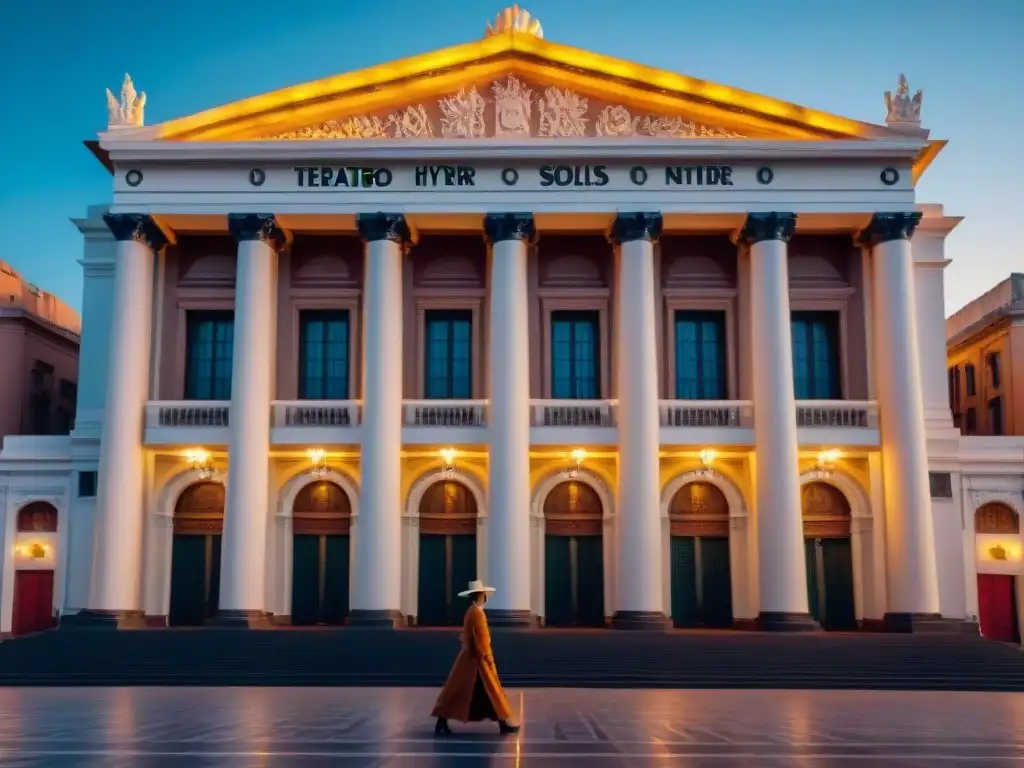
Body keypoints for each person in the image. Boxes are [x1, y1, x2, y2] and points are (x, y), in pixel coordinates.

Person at [431, 580, 520, 736]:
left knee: (461, 691)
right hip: (476, 661)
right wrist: (487, 658)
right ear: (481, 596)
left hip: (470, 660)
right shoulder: (477, 614)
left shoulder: (471, 611)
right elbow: (482, 639)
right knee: (491, 691)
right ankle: (503, 723)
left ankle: (502, 723)